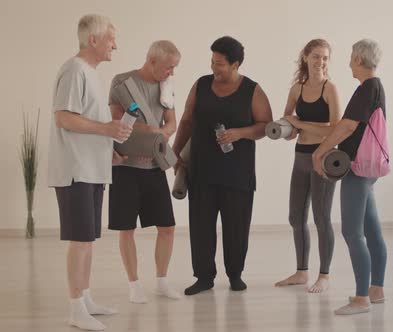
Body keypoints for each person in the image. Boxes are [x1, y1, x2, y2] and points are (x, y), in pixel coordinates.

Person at [48, 14, 131, 331]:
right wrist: (107, 128)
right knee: (80, 240)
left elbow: (87, 124)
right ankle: (74, 308)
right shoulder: (73, 70)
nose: (115, 45)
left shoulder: (90, 74)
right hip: (75, 170)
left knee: (89, 238)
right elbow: (64, 119)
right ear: (93, 39)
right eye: (111, 39)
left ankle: (84, 299)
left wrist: (107, 147)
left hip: (93, 168)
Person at [172, 36, 273, 295]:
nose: (214, 68)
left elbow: (265, 126)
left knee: (236, 226)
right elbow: (186, 121)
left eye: (219, 63)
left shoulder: (253, 90)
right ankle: (203, 277)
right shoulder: (201, 85)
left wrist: (240, 133)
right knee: (201, 225)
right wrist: (175, 152)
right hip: (202, 169)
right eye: (212, 62)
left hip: (237, 173)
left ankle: (235, 274)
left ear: (235, 64)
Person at [312, 39, 387, 315]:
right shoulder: (375, 87)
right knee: (371, 230)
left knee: (352, 232)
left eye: (350, 57)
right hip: (368, 168)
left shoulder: (367, 88)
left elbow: (346, 126)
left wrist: (320, 151)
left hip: (357, 169)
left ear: (358, 59)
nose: (348, 63)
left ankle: (360, 298)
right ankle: (375, 290)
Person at [108, 40, 181, 303]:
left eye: (174, 68)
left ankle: (162, 281)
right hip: (126, 167)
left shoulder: (166, 86)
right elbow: (116, 123)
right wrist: (148, 133)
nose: (171, 73)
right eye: (168, 67)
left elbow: (172, 122)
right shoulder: (122, 82)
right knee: (127, 228)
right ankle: (134, 284)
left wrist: (156, 136)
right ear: (152, 61)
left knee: (168, 227)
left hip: (154, 166)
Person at [274, 39, 341, 293]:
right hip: (300, 156)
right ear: (305, 57)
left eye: (324, 58)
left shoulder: (329, 89)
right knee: (295, 217)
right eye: (316, 56)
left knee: (321, 217)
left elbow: (335, 128)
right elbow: (288, 124)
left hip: (323, 157)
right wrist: (285, 128)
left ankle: (324, 275)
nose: (320, 62)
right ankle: (302, 272)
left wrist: (299, 124)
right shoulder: (296, 89)